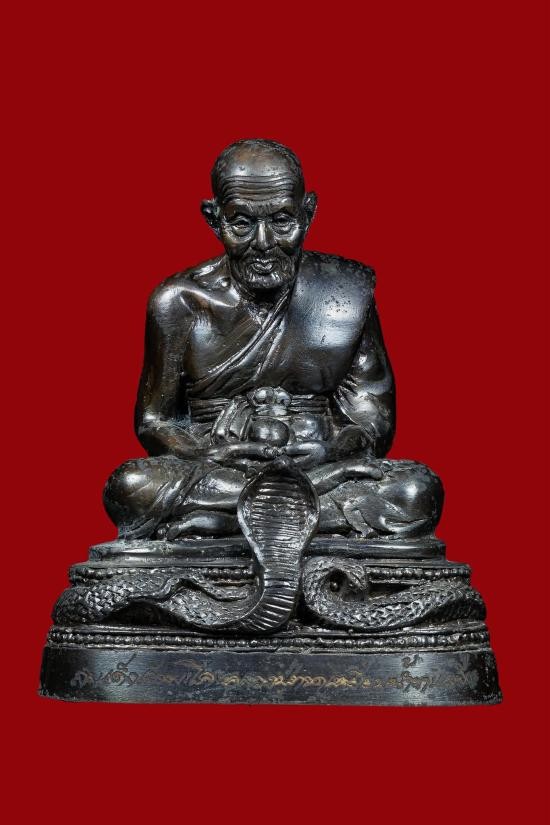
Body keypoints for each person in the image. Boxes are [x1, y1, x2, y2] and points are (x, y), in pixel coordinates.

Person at [104, 139, 443, 541]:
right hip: (222, 469)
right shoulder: (179, 302)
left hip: (318, 465)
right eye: (242, 223)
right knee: (131, 486)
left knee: (415, 490)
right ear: (214, 219)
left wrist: (332, 448)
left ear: (308, 213)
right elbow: (155, 420)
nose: (263, 243)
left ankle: (228, 521)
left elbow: (373, 417)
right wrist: (209, 452)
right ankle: (305, 515)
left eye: (282, 221)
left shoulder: (345, 291)